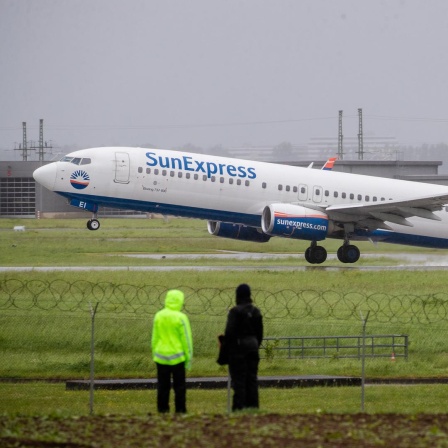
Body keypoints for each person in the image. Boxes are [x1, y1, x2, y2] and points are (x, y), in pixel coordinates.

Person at [151, 289, 193, 413]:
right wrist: (188, 359)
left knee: (162, 386)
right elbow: (187, 340)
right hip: (177, 358)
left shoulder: (159, 315)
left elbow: (154, 337)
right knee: (179, 387)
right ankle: (180, 410)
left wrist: (155, 354)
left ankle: (162, 410)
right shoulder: (181, 317)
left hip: (161, 356)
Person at [224, 283, 263, 411]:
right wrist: (255, 346)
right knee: (252, 380)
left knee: (239, 382)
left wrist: (227, 351)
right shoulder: (255, 311)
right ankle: (254, 409)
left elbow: (229, 333)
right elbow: (260, 333)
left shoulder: (234, 312)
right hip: (252, 347)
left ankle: (239, 410)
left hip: (238, 349)